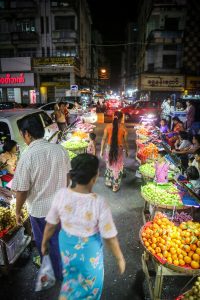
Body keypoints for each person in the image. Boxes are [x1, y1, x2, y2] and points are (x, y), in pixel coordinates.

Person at [41, 154, 125, 299]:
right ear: (95, 177)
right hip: (88, 251)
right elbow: (109, 236)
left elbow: (50, 224)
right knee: (90, 284)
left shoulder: (61, 195)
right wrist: (119, 258)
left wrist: (44, 242)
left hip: (67, 244)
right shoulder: (99, 202)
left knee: (71, 277)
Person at [11, 115, 71, 279]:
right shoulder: (59, 150)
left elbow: (21, 190)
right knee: (59, 239)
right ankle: (62, 268)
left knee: (45, 242)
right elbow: (68, 177)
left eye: (23, 134)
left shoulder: (27, 156)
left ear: (27, 134)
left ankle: (55, 272)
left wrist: (17, 212)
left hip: (40, 211)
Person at [100, 111, 128, 192]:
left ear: (113, 117)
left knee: (109, 164)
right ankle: (115, 185)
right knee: (117, 167)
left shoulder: (108, 127)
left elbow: (103, 139)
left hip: (109, 148)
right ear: (121, 118)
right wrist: (127, 150)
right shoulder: (124, 128)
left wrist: (101, 150)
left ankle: (108, 182)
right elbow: (125, 141)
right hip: (119, 149)